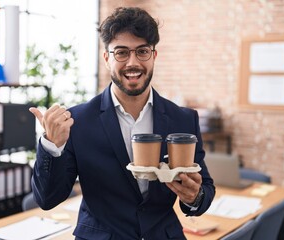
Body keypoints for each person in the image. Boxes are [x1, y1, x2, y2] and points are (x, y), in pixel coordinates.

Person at [29, 6, 215, 240]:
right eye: (122, 52)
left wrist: (194, 196)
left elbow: (204, 188)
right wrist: (51, 146)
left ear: (154, 56)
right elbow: (47, 200)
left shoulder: (183, 119)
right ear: (107, 58)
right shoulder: (78, 121)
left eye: (142, 51)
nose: (132, 62)